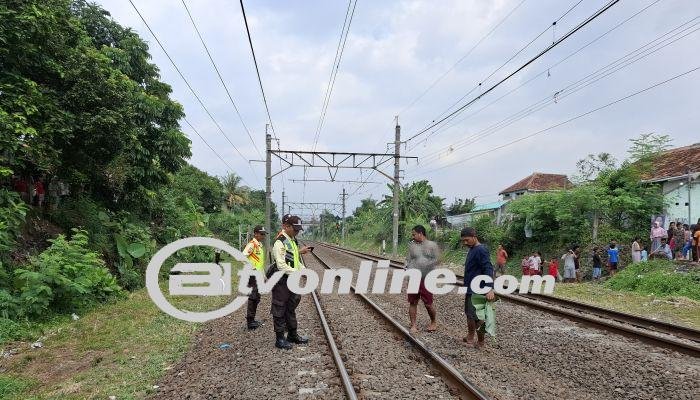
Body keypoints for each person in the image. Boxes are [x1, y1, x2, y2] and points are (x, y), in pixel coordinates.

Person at [270, 215, 312, 350]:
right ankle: (280, 339)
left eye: (298, 230)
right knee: (279, 308)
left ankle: (292, 334)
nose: (297, 232)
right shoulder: (279, 242)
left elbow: (295, 260)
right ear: (286, 227)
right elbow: (281, 265)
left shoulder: (292, 240)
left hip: (291, 279)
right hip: (281, 280)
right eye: (295, 229)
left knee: (291, 306)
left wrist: (304, 270)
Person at [460, 227, 494, 348]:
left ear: (474, 237)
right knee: (470, 314)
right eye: (463, 241)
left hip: (478, 289)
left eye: (467, 240)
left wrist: (489, 288)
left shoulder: (481, 250)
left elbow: (488, 268)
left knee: (478, 317)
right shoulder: (473, 248)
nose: (465, 243)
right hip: (471, 288)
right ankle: (470, 337)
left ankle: (480, 341)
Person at [405, 225, 440, 334]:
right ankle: (414, 325)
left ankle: (433, 321)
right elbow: (408, 260)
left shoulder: (432, 245)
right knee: (413, 302)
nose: (413, 236)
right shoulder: (412, 246)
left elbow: (438, 260)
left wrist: (426, 265)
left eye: (414, 234)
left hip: (426, 278)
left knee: (428, 303)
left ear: (420, 233)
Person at [242, 225, 267, 330]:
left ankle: (252, 319)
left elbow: (259, 263)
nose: (263, 236)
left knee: (256, 297)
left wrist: (263, 275)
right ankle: (250, 321)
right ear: (255, 233)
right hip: (252, 275)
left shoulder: (259, 246)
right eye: (261, 234)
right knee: (253, 297)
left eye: (264, 234)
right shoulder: (252, 245)